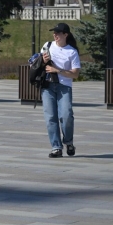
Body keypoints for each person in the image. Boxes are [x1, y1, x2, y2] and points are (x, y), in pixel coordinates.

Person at [42, 23, 81, 158]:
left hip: (64, 86)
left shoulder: (72, 51)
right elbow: (35, 64)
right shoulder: (47, 46)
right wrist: (42, 60)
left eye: (58, 33)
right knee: (50, 117)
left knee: (66, 115)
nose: (55, 35)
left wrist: (57, 70)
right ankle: (56, 147)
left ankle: (69, 142)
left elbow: (75, 74)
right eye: (54, 33)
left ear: (66, 35)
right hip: (47, 86)